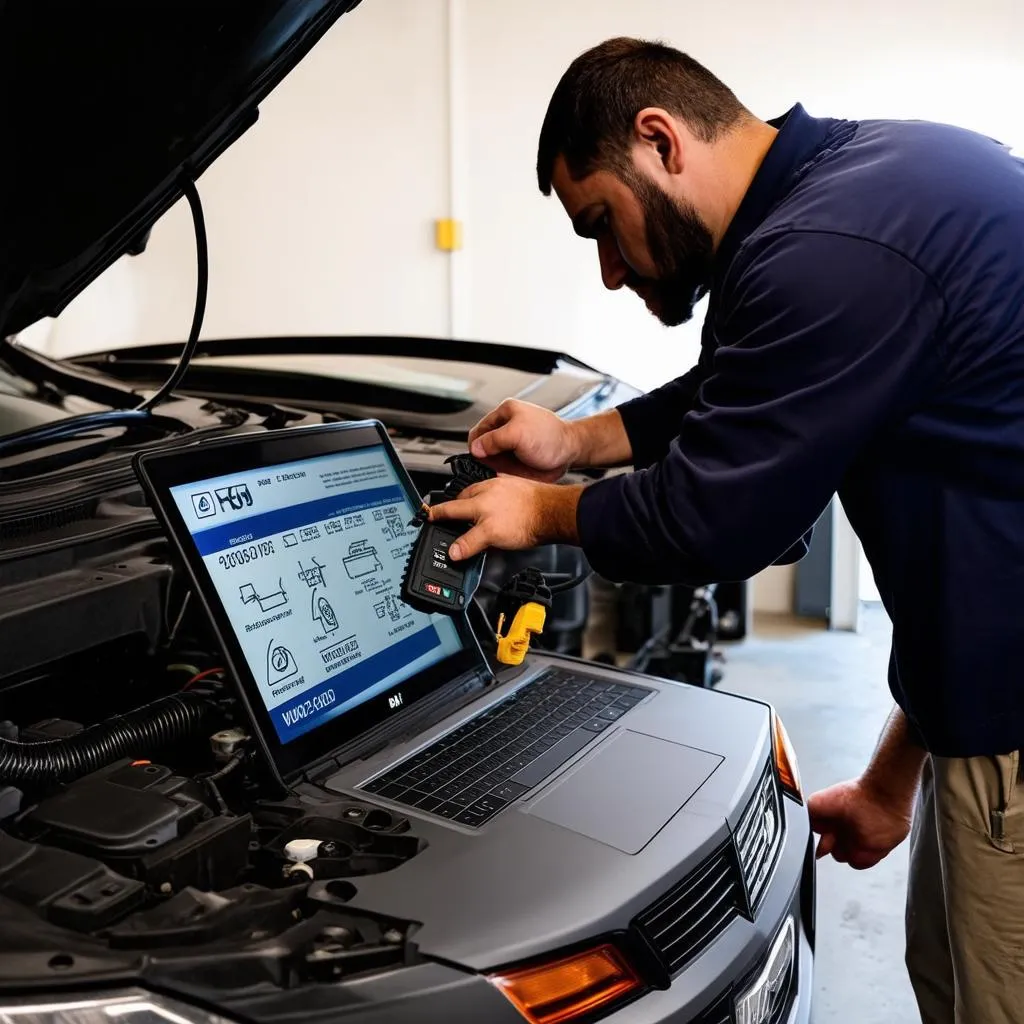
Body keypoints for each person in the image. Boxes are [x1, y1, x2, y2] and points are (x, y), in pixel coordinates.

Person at [426, 36, 1024, 1024]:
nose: (612, 270)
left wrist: (536, 509)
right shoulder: (857, 187)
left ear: (658, 141)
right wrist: (577, 443)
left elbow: (712, 520)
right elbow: (750, 386)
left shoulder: (826, 250)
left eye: (601, 225)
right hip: (986, 718)